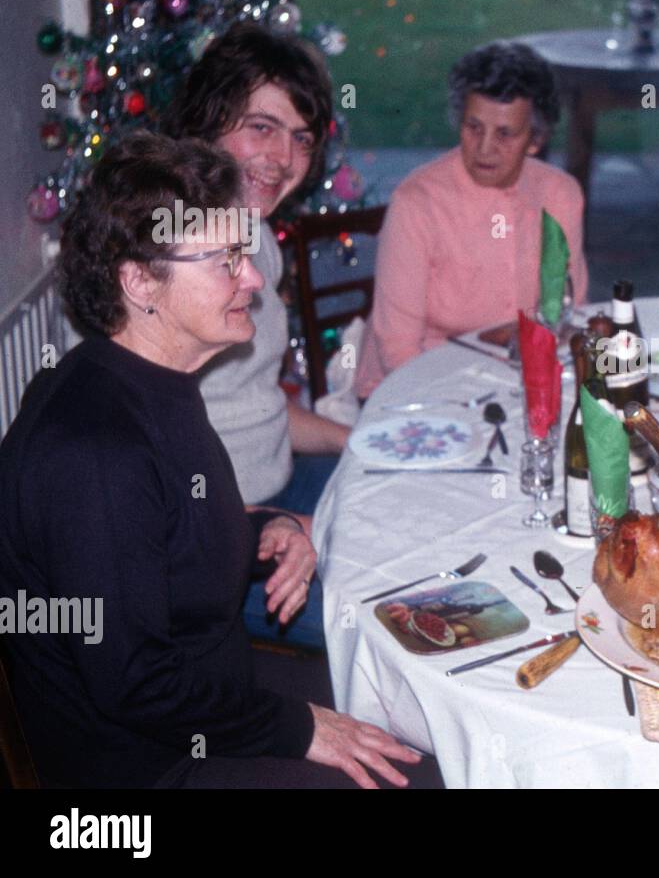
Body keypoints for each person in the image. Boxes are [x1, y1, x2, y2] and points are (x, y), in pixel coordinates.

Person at [0, 134, 425, 787]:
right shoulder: (92, 451)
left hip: (212, 700)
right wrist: (304, 727)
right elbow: (135, 684)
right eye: (227, 260)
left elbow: (169, 541)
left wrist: (269, 530)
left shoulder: (155, 381)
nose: (252, 277)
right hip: (144, 775)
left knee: (418, 707)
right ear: (140, 281)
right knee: (417, 772)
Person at [164, 22, 351, 647]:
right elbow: (148, 491)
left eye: (300, 137)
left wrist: (360, 444)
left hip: (278, 485)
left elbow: (258, 404)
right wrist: (282, 525)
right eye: (260, 127)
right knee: (396, 616)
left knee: (420, 510)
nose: (283, 159)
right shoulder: (170, 265)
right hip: (218, 545)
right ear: (207, 124)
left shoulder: (255, 236)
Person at [355, 42, 588, 398]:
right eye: (473, 127)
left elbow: (565, 317)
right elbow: (397, 348)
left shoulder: (560, 196)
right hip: (414, 384)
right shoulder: (416, 204)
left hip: (514, 384)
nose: (483, 149)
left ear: (535, 139)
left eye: (505, 134)